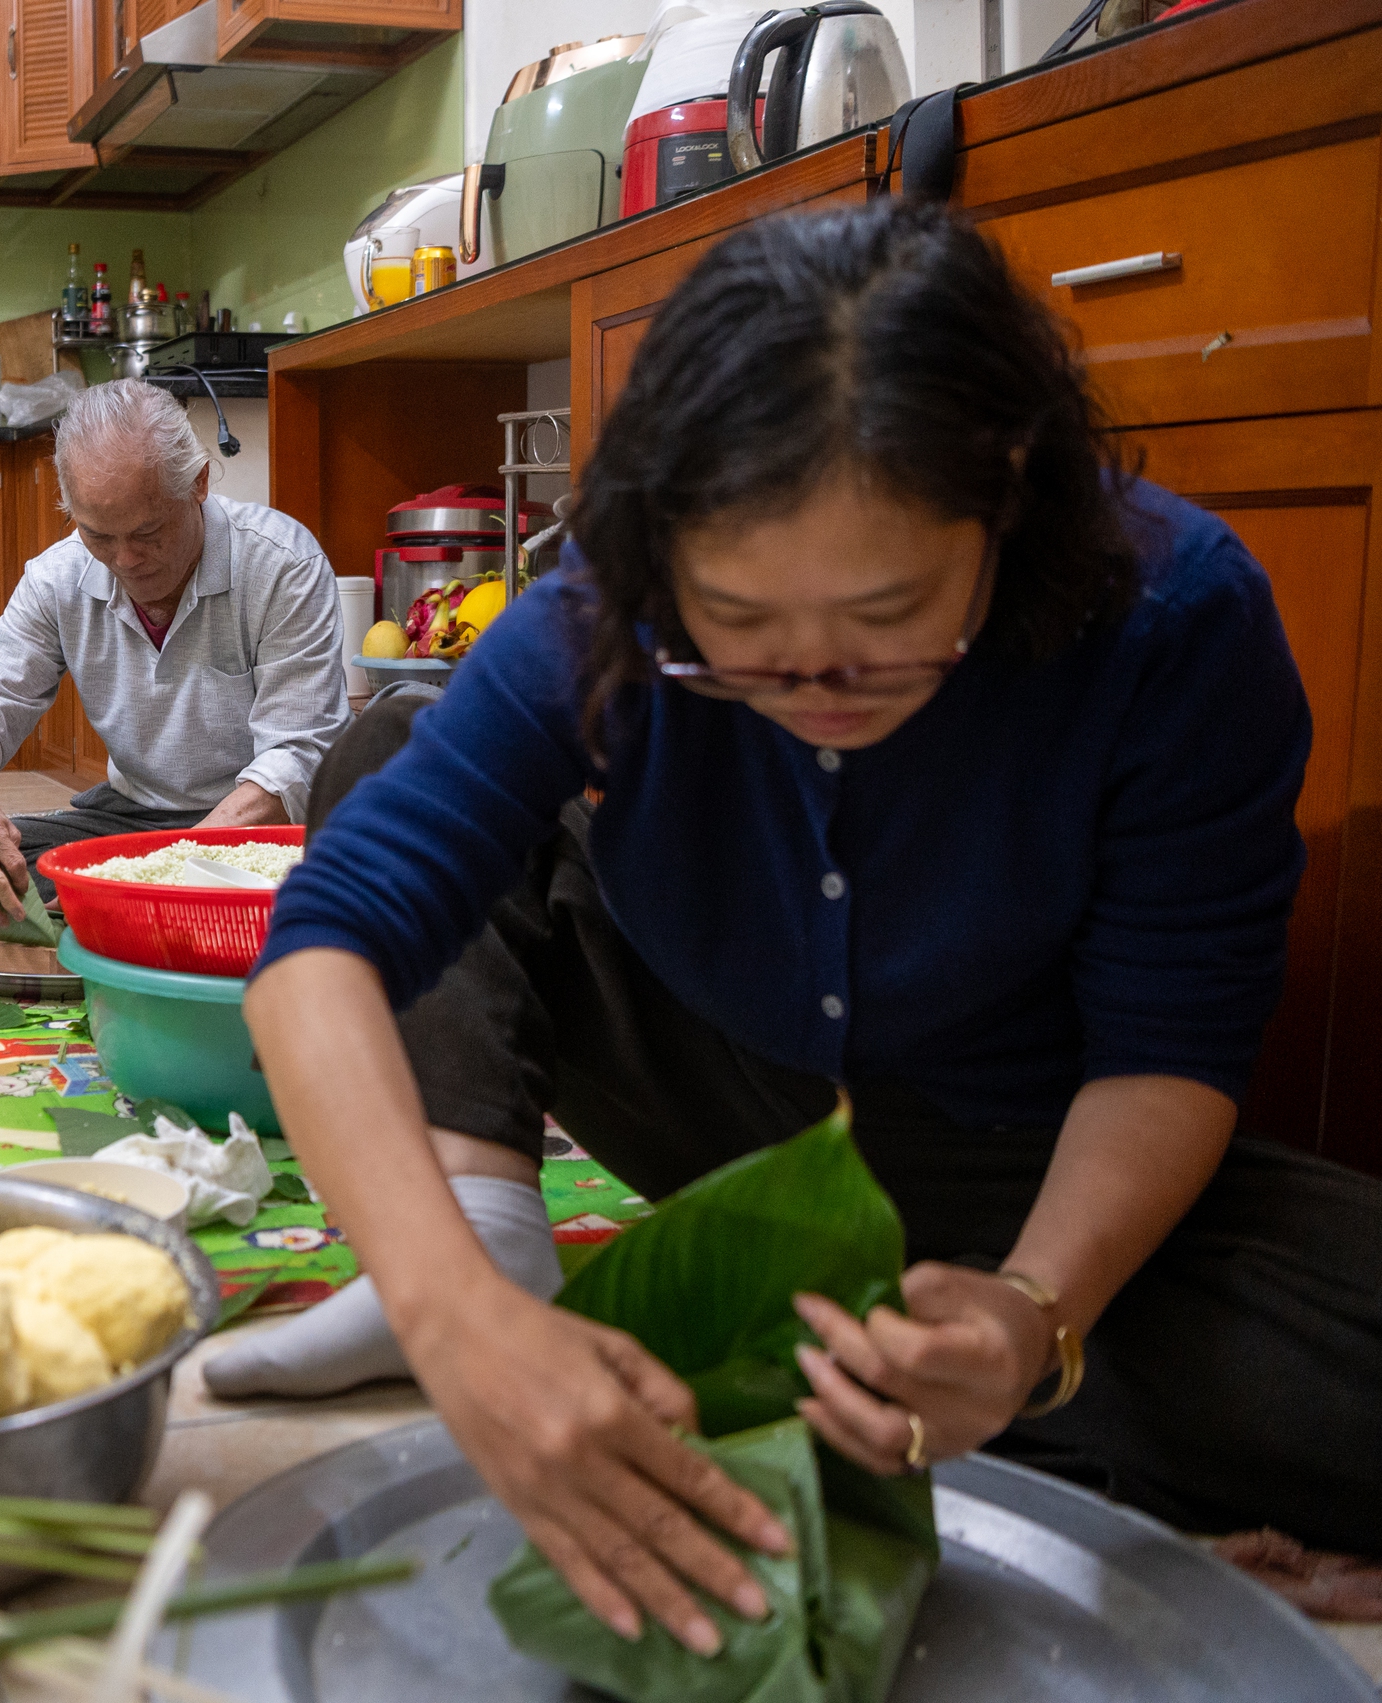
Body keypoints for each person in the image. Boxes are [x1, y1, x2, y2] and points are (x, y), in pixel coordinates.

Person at [237, 198, 1382, 1654]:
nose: (822, 682)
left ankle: (943, 1390)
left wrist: (1033, 1314)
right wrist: (450, 1302)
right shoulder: (609, 600)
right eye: (738, 629)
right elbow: (322, 939)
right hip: (713, 1087)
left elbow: (1173, 1044)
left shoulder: (1174, 616)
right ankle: (498, 1234)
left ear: (1010, 495)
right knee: (389, 752)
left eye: (893, 614)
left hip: (1016, 1155)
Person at [0, 380, 350, 924]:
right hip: (133, 822)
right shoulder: (58, 577)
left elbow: (298, 756)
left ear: (199, 484)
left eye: (148, 531)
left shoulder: (281, 564)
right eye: (99, 535)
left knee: (345, 877)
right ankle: (145, 921)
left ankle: (120, 920)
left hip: (263, 830)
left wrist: (166, 871)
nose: (125, 560)